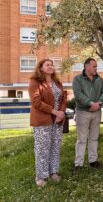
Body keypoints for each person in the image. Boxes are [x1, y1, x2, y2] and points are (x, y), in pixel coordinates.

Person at [28, 59, 67, 187]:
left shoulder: (57, 82)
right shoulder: (35, 82)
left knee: (55, 146)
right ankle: (41, 176)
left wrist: (61, 112)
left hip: (57, 121)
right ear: (41, 68)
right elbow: (37, 102)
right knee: (42, 148)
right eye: (47, 65)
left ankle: (53, 172)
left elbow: (63, 98)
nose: (50, 67)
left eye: (52, 65)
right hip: (42, 120)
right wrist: (55, 112)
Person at [72, 58, 103, 171]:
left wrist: (99, 103)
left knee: (94, 138)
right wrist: (91, 103)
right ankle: (78, 164)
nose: (96, 68)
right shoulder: (77, 79)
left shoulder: (99, 80)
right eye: (94, 66)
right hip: (83, 112)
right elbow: (78, 94)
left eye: (96, 66)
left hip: (97, 112)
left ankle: (93, 161)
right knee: (82, 139)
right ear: (86, 67)